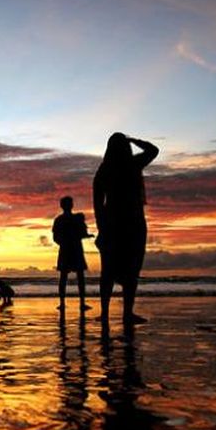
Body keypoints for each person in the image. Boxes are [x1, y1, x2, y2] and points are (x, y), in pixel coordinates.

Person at [93, 133, 158, 325]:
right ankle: (127, 313)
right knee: (131, 270)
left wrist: (101, 228)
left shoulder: (104, 170)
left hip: (112, 224)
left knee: (108, 271)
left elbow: (97, 204)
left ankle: (105, 313)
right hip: (133, 223)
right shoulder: (133, 164)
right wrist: (133, 140)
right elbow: (153, 150)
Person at [53, 196, 93, 312]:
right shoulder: (76, 219)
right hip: (74, 248)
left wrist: (64, 242)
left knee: (64, 277)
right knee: (79, 277)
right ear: (71, 205)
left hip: (66, 249)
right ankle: (81, 303)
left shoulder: (59, 220)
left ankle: (62, 303)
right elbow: (81, 234)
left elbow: (55, 237)